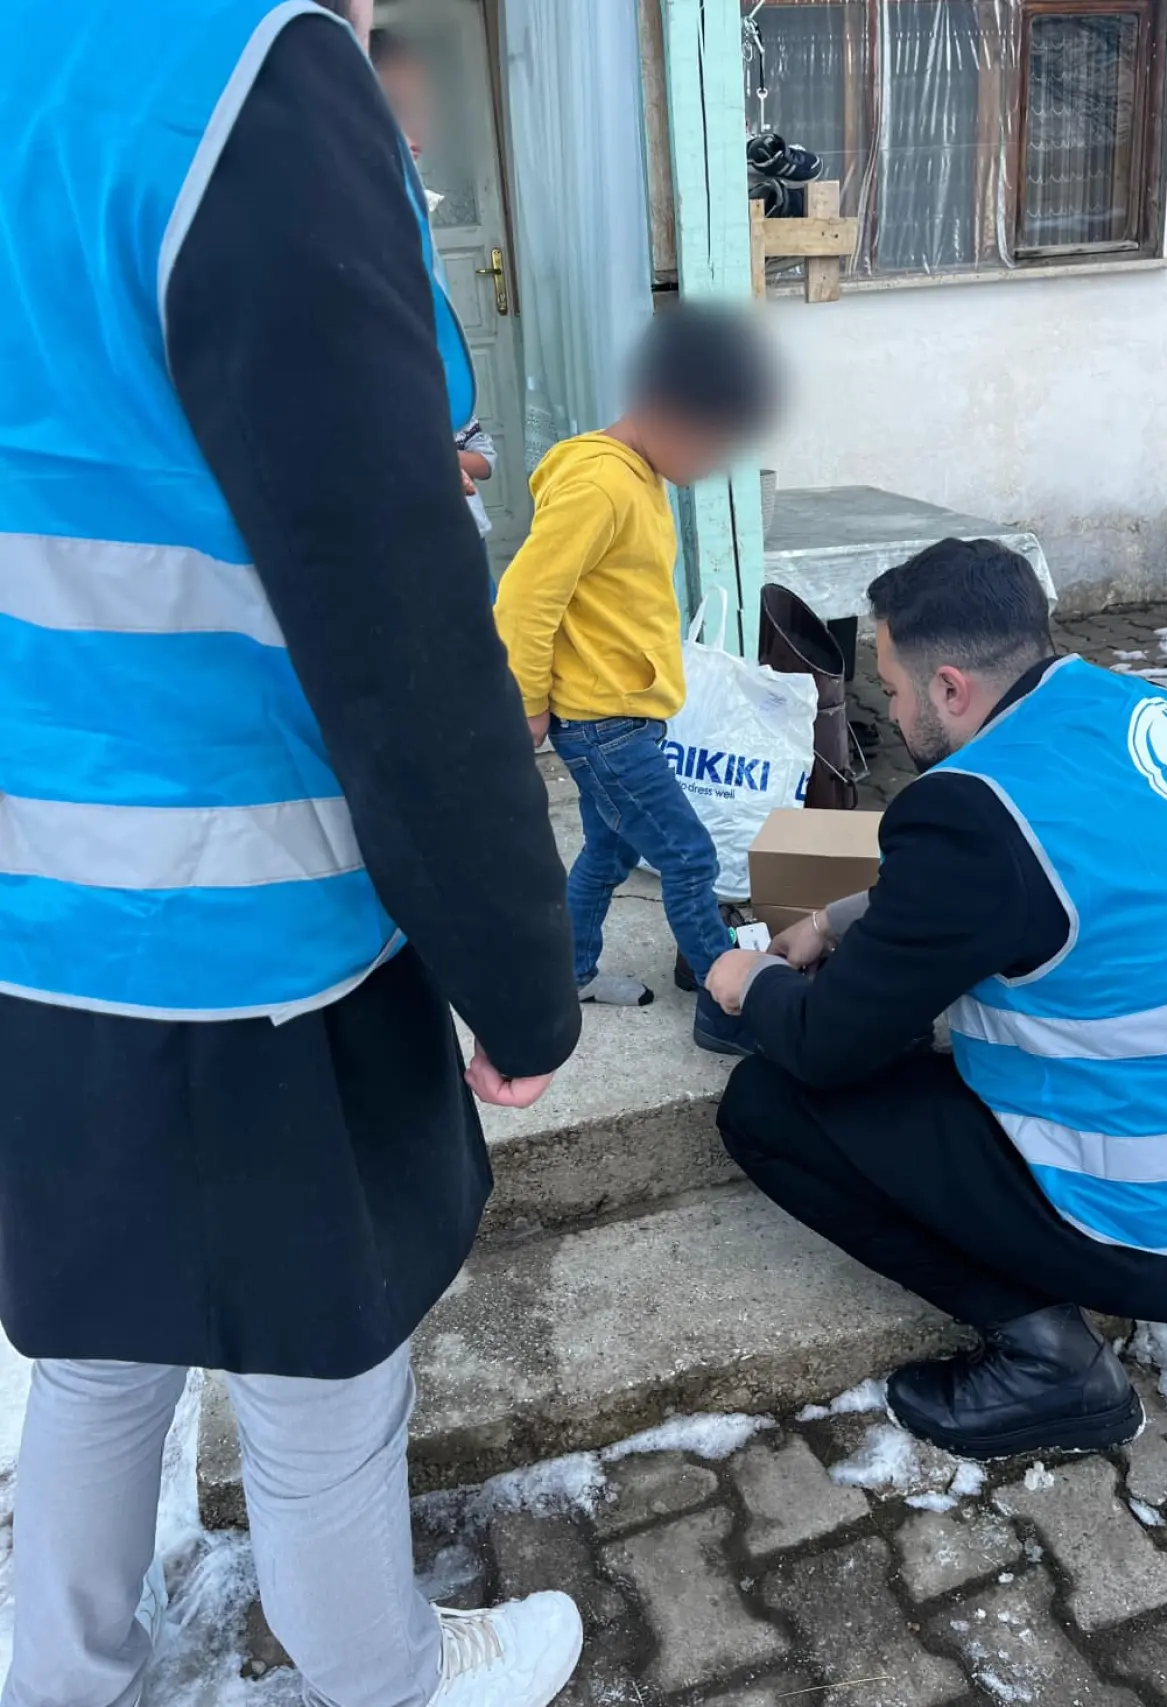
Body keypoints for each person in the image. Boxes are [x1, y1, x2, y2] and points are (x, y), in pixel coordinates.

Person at [0, 3, 585, 1705]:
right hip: (240, 912)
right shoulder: (243, 76)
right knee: (327, 1363)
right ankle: (383, 1669)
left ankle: (63, 1665)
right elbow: (402, 632)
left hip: (25, 900)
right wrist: (515, 978)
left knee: (96, 1328)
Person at [708, 539, 1167, 1461]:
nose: (886, 713)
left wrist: (755, 980)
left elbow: (824, 1044)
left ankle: (1050, 1364)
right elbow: (1033, 882)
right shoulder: (1149, 713)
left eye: (889, 689)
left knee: (769, 1106)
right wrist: (840, 918)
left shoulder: (971, 807)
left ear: (949, 688)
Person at [494, 304, 777, 1054]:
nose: (714, 465)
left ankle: (571, 973)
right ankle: (728, 1003)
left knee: (611, 852)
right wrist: (523, 703)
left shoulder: (638, 476)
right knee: (688, 856)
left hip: (624, 715)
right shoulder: (600, 484)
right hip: (603, 726)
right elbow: (526, 598)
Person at [368, 25, 500, 590]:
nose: (416, 131)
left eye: (417, 109)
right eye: (395, 108)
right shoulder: (343, 234)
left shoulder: (409, 220)